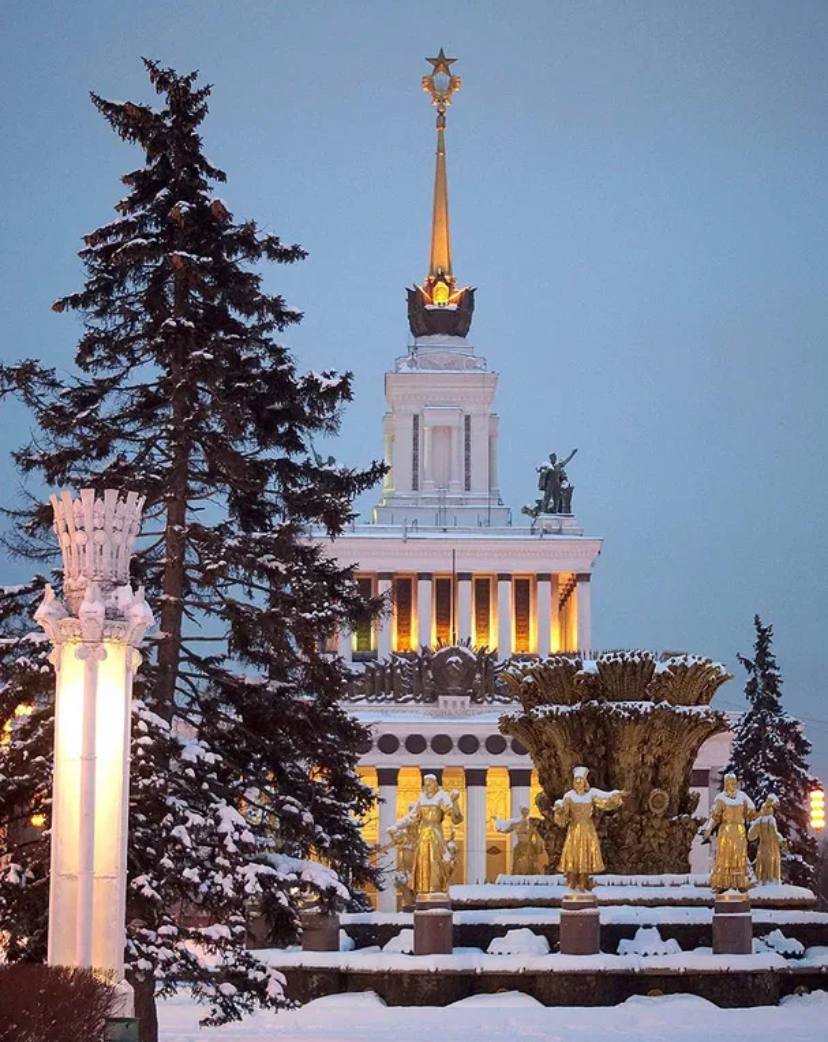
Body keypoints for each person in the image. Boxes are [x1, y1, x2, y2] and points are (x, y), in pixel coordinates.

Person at [553, 765, 626, 891]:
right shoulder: (569, 796)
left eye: (580, 781)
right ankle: (573, 879)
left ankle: (584, 880)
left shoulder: (591, 794)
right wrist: (559, 810)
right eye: (576, 781)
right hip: (574, 829)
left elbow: (605, 798)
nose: (578, 783)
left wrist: (616, 795)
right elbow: (563, 812)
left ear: (585, 781)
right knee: (574, 852)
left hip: (587, 828)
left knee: (586, 852)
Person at [401, 774, 463, 898]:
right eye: (425, 784)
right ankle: (424, 889)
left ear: (435, 784)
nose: (427, 786)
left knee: (436, 860)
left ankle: (436, 888)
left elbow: (457, 818)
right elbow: (411, 817)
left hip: (436, 833)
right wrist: (396, 827)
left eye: (429, 783)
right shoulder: (422, 798)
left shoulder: (441, 797)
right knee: (422, 860)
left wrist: (455, 801)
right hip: (423, 835)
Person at [703, 772, 756, 892]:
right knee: (725, 856)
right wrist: (709, 828)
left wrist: (763, 812)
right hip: (726, 831)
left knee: (739, 856)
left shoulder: (742, 797)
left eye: (734, 782)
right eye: (730, 783)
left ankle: (740, 882)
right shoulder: (721, 799)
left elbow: (752, 812)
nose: (732, 785)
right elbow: (715, 817)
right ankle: (723, 883)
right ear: (726, 784)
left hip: (739, 831)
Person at [748, 794, 786, 886]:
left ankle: (762, 883)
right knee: (772, 870)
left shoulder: (759, 821)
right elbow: (774, 834)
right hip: (772, 848)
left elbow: (750, 836)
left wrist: (754, 825)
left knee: (762, 869)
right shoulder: (771, 820)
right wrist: (782, 841)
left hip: (762, 848)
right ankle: (771, 885)